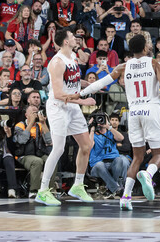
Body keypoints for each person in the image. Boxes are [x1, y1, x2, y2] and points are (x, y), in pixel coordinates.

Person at [34, 28, 110, 206]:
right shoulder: (57, 63)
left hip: (72, 105)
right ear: (66, 42)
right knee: (58, 149)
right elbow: (59, 93)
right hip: (59, 107)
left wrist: (90, 85)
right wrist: (83, 102)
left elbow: (74, 82)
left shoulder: (72, 58)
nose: (76, 38)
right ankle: (43, 190)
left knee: (87, 145)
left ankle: (77, 185)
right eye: (72, 36)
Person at [104, 34, 160, 210]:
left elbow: (106, 80)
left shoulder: (125, 66)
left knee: (137, 157)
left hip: (133, 111)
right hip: (151, 108)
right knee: (159, 155)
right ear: (145, 48)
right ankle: (148, 174)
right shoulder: (155, 63)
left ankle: (125, 197)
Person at [88, 113, 129, 198]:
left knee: (119, 159)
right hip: (97, 165)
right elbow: (89, 146)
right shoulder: (93, 135)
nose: (100, 121)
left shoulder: (111, 133)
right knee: (100, 165)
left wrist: (108, 126)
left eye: (102, 119)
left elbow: (121, 138)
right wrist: (92, 128)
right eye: (98, 119)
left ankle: (110, 189)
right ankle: (116, 189)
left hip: (112, 163)